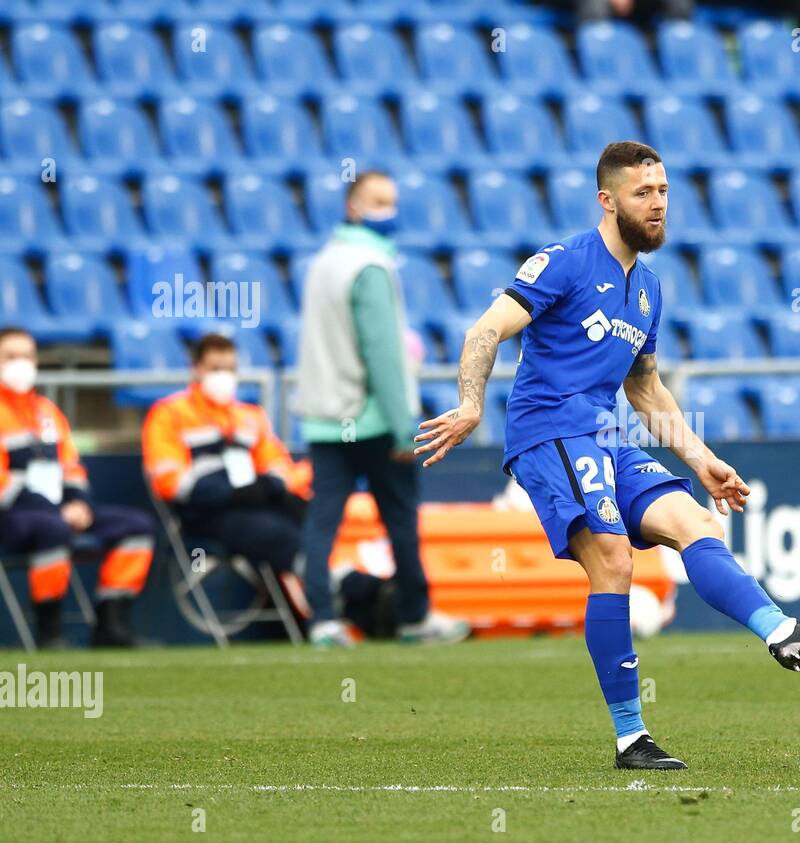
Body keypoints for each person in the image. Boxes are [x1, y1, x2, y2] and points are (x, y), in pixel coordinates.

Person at [416, 142, 800, 771]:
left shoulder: (648, 289)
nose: (657, 206)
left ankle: (780, 631)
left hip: (605, 436)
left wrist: (701, 458)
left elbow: (645, 387)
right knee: (613, 559)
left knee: (697, 523)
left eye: (662, 193)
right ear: (607, 201)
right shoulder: (565, 262)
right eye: (642, 194)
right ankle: (632, 736)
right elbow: (484, 330)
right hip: (549, 433)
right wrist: (470, 404)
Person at [293, 170, 468, 648]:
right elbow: (383, 356)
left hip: (326, 418)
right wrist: (400, 429)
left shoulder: (324, 262)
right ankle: (415, 617)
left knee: (322, 521)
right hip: (371, 417)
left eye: (392, 200)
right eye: (378, 201)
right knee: (400, 520)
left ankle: (322, 621)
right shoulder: (370, 265)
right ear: (353, 206)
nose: (388, 211)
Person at [142, 333, 392, 639]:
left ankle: (358, 599)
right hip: (205, 513)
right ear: (195, 369)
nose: (224, 376)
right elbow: (169, 479)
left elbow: (278, 463)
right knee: (274, 533)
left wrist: (272, 484)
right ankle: (357, 590)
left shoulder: (249, 416)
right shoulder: (169, 414)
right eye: (215, 368)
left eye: (230, 368)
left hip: (256, 504)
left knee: (309, 518)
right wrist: (228, 491)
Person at [0, 327, 154, 649]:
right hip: (12, 515)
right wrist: (56, 509)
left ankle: (111, 623)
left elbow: (71, 467)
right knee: (51, 528)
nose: (21, 364)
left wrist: (79, 502)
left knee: (136, 526)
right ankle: (49, 630)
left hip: (59, 509)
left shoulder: (46, 412)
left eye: (27, 356)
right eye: (10, 356)